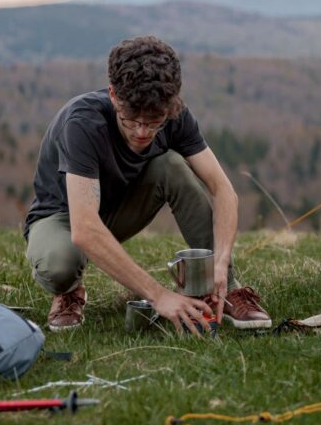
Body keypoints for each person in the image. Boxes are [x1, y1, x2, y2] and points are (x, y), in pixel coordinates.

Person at [23, 36, 270, 335]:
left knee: (173, 165)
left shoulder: (174, 114)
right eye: (131, 120)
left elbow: (223, 190)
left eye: (154, 122)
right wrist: (159, 295)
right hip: (65, 218)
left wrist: (220, 263)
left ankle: (225, 289)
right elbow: (85, 228)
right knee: (59, 264)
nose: (142, 132)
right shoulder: (82, 123)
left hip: (122, 209)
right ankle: (69, 292)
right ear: (114, 95)